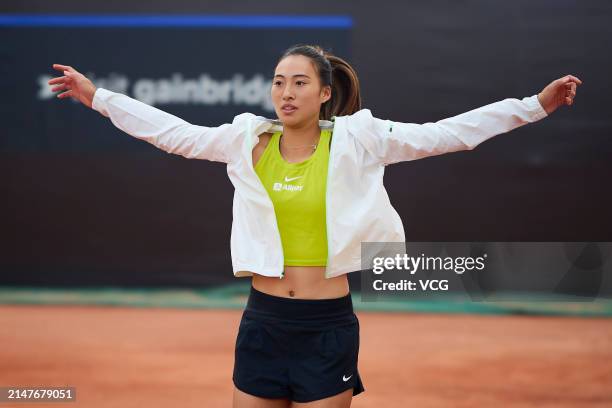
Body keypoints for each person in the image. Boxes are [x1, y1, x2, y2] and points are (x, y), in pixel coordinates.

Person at [48, 44, 581, 408]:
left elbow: (447, 134)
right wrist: (98, 97)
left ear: (325, 93)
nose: (286, 92)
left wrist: (534, 106)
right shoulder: (245, 141)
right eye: (279, 82)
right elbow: (174, 133)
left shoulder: (361, 140)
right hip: (261, 322)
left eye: (300, 82)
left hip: (326, 328)